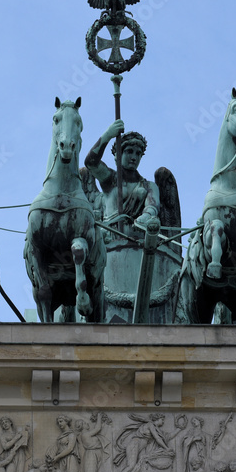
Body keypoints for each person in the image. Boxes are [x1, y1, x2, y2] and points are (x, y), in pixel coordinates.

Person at [84, 120, 180, 323]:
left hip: (138, 242)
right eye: (128, 151)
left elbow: (152, 208)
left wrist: (144, 218)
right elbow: (90, 162)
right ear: (118, 154)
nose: (134, 157)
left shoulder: (149, 185)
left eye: (138, 153)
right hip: (109, 241)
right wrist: (109, 134)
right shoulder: (110, 179)